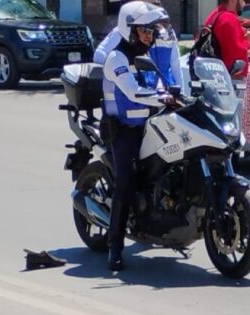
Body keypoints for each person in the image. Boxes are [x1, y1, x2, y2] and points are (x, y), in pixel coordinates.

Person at [102, 2, 169, 271]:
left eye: (151, 31)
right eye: (144, 31)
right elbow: (132, 92)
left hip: (148, 125)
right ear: (128, 29)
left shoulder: (147, 58)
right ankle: (114, 246)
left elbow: (163, 83)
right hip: (123, 129)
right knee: (126, 182)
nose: (149, 36)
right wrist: (162, 96)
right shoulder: (116, 59)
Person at [93, 0, 181, 90]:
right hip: (138, 94)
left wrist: (181, 93)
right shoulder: (126, 31)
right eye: (150, 6)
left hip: (167, 94)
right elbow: (99, 55)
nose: (155, 10)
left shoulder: (169, 33)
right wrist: (121, 73)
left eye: (157, 4)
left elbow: (176, 65)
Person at [205, 0, 250, 78]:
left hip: (215, 73)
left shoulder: (216, 15)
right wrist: (248, 42)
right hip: (229, 77)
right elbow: (236, 54)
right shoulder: (228, 18)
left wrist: (247, 50)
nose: (244, 3)